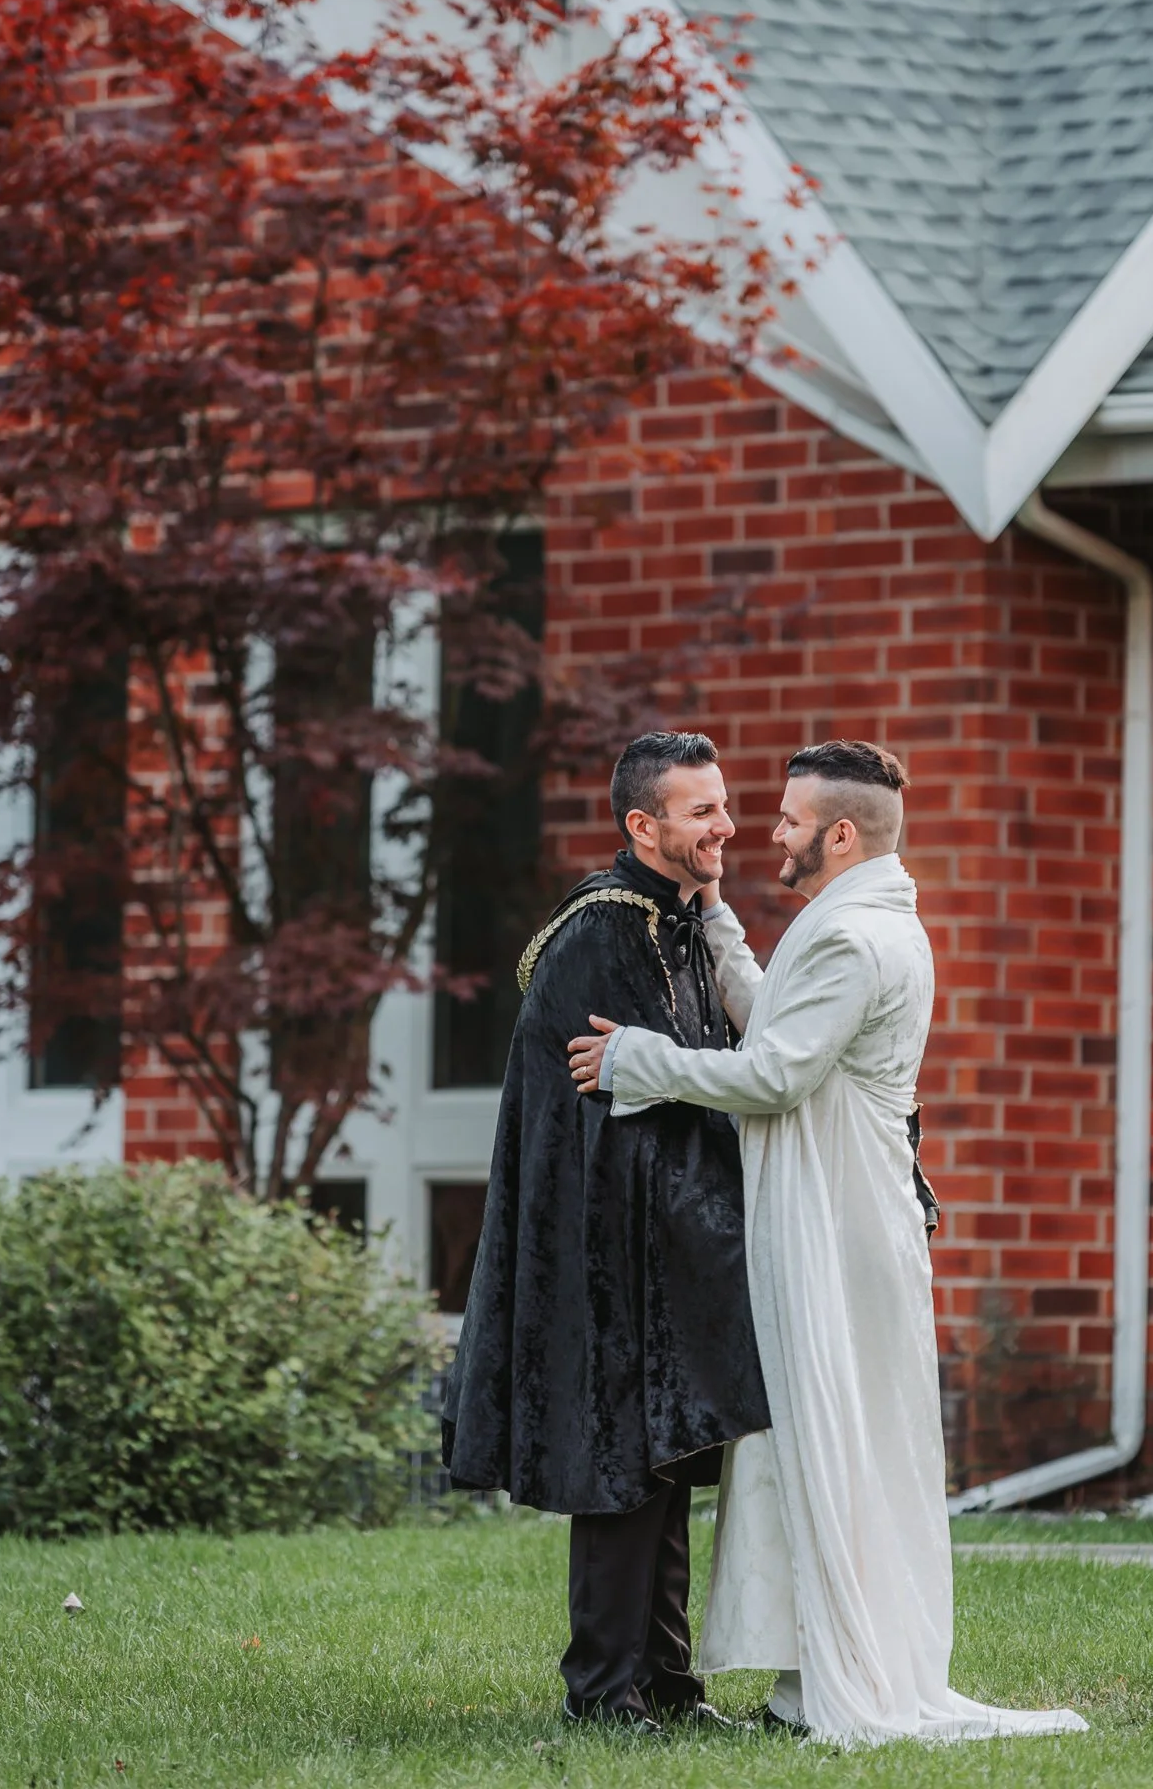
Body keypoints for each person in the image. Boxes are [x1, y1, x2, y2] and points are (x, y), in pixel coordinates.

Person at [568, 739, 1089, 1748]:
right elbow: (778, 1019)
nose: (766, 832)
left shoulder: (854, 937)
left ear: (839, 834)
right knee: (812, 1440)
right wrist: (719, 921)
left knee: (837, 1436)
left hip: (840, 1220)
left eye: (789, 820)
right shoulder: (855, 918)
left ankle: (835, 1678)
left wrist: (639, 1059)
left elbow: (774, 1074)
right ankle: (805, 1674)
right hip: (830, 1206)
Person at [441, 730, 771, 1735]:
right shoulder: (604, 931)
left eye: (724, 804)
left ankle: (664, 1686)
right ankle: (603, 1692)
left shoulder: (673, 919)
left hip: (658, 1244)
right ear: (642, 824)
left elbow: (687, 1075)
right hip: (605, 1249)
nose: (725, 826)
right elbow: (612, 1114)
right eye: (701, 810)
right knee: (621, 1469)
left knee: (661, 1467)